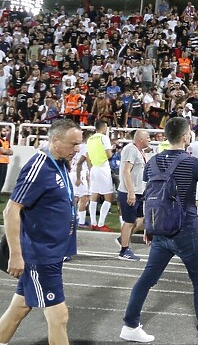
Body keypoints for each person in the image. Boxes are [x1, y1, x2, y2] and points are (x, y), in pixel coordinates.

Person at [121, 116, 198, 344]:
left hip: (160, 229)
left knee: (147, 278)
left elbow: (150, 198)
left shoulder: (153, 162)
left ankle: (130, 324)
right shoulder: (192, 162)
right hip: (186, 228)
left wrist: (149, 226)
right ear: (186, 137)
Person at [0, 119, 81, 345]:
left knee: (20, 308)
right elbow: (11, 210)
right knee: (59, 316)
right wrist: (16, 254)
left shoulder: (61, 163)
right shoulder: (39, 166)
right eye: (73, 144)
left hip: (51, 252)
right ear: (55, 141)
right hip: (39, 255)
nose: (77, 150)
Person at [117, 130, 150, 261]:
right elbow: (126, 171)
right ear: (140, 139)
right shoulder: (131, 149)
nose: (150, 140)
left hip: (138, 191)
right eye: (147, 137)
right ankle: (124, 250)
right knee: (129, 221)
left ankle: (123, 239)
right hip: (129, 191)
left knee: (140, 218)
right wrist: (130, 192)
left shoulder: (138, 151)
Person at [87, 120, 115, 232]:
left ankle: (93, 223)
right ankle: (101, 224)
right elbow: (109, 155)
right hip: (103, 168)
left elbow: (88, 156)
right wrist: (112, 149)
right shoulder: (103, 138)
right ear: (103, 127)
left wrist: (90, 170)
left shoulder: (90, 139)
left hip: (94, 168)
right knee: (108, 197)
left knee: (94, 195)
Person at [0, 126, 12, 191]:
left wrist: (6, 151)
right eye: (4, 131)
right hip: (0, 162)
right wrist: (7, 151)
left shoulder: (6, 141)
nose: (5, 132)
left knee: (2, 180)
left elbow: (12, 152)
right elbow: (3, 151)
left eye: (6, 131)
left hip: (5, 162)